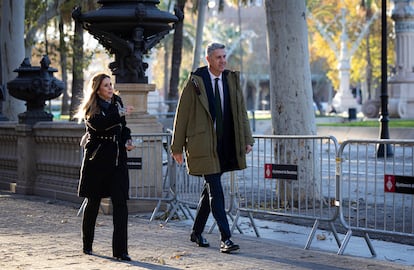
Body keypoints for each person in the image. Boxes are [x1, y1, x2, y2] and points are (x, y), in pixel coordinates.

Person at [170, 42, 254, 253]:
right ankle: (226, 238)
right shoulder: (195, 82)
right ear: (208, 59)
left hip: (225, 144)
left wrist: (247, 139)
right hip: (202, 144)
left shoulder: (231, 80)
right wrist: (177, 147)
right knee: (216, 189)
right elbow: (182, 115)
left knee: (210, 190)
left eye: (224, 56)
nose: (223, 61)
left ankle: (197, 232)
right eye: (218, 57)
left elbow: (241, 112)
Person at [75, 73, 135, 261]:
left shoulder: (117, 102)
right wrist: (120, 114)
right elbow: (99, 125)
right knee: (93, 203)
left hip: (117, 160)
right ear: (97, 89)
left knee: (120, 204)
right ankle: (87, 244)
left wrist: (127, 139)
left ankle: (121, 251)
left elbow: (123, 128)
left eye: (111, 84)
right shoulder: (91, 108)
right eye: (106, 85)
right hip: (97, 160)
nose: (110, 88)